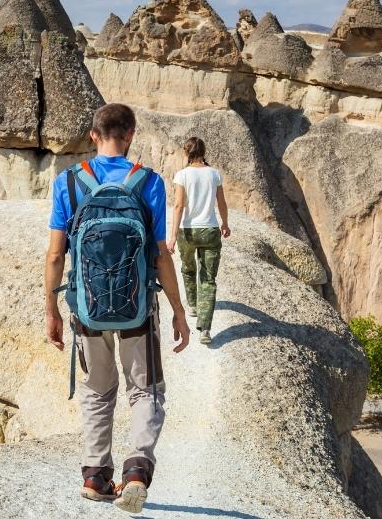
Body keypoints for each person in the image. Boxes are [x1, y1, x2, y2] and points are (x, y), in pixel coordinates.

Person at [44, 103, 190, 513]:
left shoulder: (69, 183)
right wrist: (178, 309)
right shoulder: (149, 182)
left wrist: (51, 310)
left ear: (94, 135)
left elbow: (55, 255)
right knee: (145, 389)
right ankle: (137, 472)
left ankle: (95, 476)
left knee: (96, 390)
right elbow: (161, 254)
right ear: (130, 134)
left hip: (86, 309)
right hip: (138, 309)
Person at [167, 138, 231, 346]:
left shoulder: (182, 175)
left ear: (187, 153)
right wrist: (225, 224)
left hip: (188, 231)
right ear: (203, 152)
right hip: (210, 229)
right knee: (208, 279)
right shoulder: (214, 174)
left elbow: (178, 206)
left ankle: (193, 305)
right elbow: (221, 203)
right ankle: (205, 329)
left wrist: (173, 236)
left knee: (188, 269)